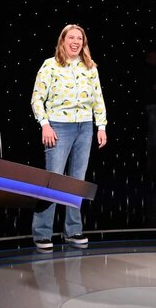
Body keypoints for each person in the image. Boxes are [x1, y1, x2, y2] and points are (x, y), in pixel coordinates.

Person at [30, 24, 107, 250]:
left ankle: (72, 230)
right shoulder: (50, 66)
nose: (75, 42)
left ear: (84, 43)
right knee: (53, 180)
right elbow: (36, 99)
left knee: (76, 181)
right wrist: (45, 124)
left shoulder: (90, 67)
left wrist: (101, 126)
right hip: (58, 127)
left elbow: (98, 99)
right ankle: (42, 232)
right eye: (71, 37)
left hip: (85, 127)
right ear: (62, 41)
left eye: (79, 39)